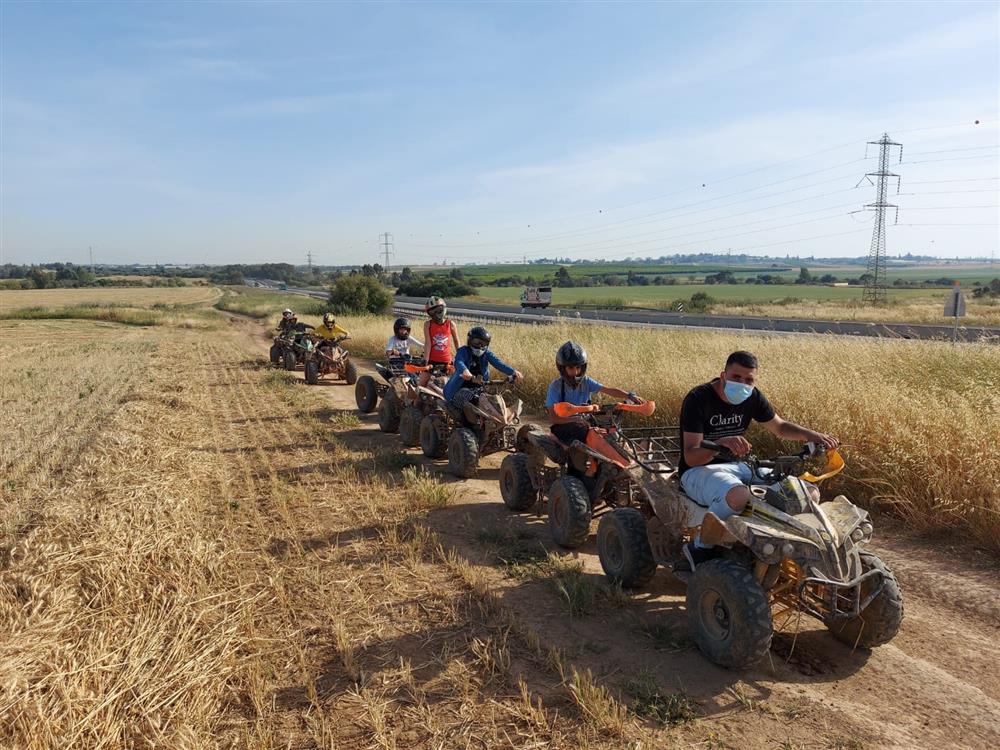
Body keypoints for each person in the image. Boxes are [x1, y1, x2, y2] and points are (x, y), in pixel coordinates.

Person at [678, 350, 839, 571]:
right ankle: (700, 547)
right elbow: (691, 455)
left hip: (740, 466)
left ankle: (780, 544)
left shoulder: (751, 396)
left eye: (749, 380)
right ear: (723, 375)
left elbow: (780, 427)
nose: (743, 384)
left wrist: (811, 435)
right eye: (736, 377)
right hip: (698, 471)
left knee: (806, 492)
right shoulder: (698, 399)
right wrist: (720, 443)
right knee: (739, 496)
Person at [545, 340, 645, 445]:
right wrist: (575, 419)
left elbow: (608, 390)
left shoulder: (586, 381)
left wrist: (629, 395)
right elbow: (553, 418)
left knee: (611, 430)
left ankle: (624, 453)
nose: (575, 372)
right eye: (571, 368)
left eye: (578, 367)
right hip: (565, 426)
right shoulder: (555, 387)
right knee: (582, 435)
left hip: (586, 422)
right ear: (562, 368)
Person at [443, 326, 523, 419]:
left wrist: (513, 372)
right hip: (459, 388)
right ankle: (468, 425)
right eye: (477, 342)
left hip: (480, 387)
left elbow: (498, 363)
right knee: (467, 407)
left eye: (483, 343)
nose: (480, 346)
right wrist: (465, 371)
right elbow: (459, 361)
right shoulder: (463, 351)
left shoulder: (487, 353)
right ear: (470, 341)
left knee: (493, 401)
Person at [421, 296, 460, 387]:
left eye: (438, 310)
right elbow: (428, 343)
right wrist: (425, 361)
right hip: (431, 360)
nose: (436, 314)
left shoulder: (450, 324)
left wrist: (460, 359)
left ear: (444, 308)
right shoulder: (428, 324)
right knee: (421, 385)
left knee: (448, 387)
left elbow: (457, 342)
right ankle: (413, 401)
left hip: (446, 362)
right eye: (432, 312)